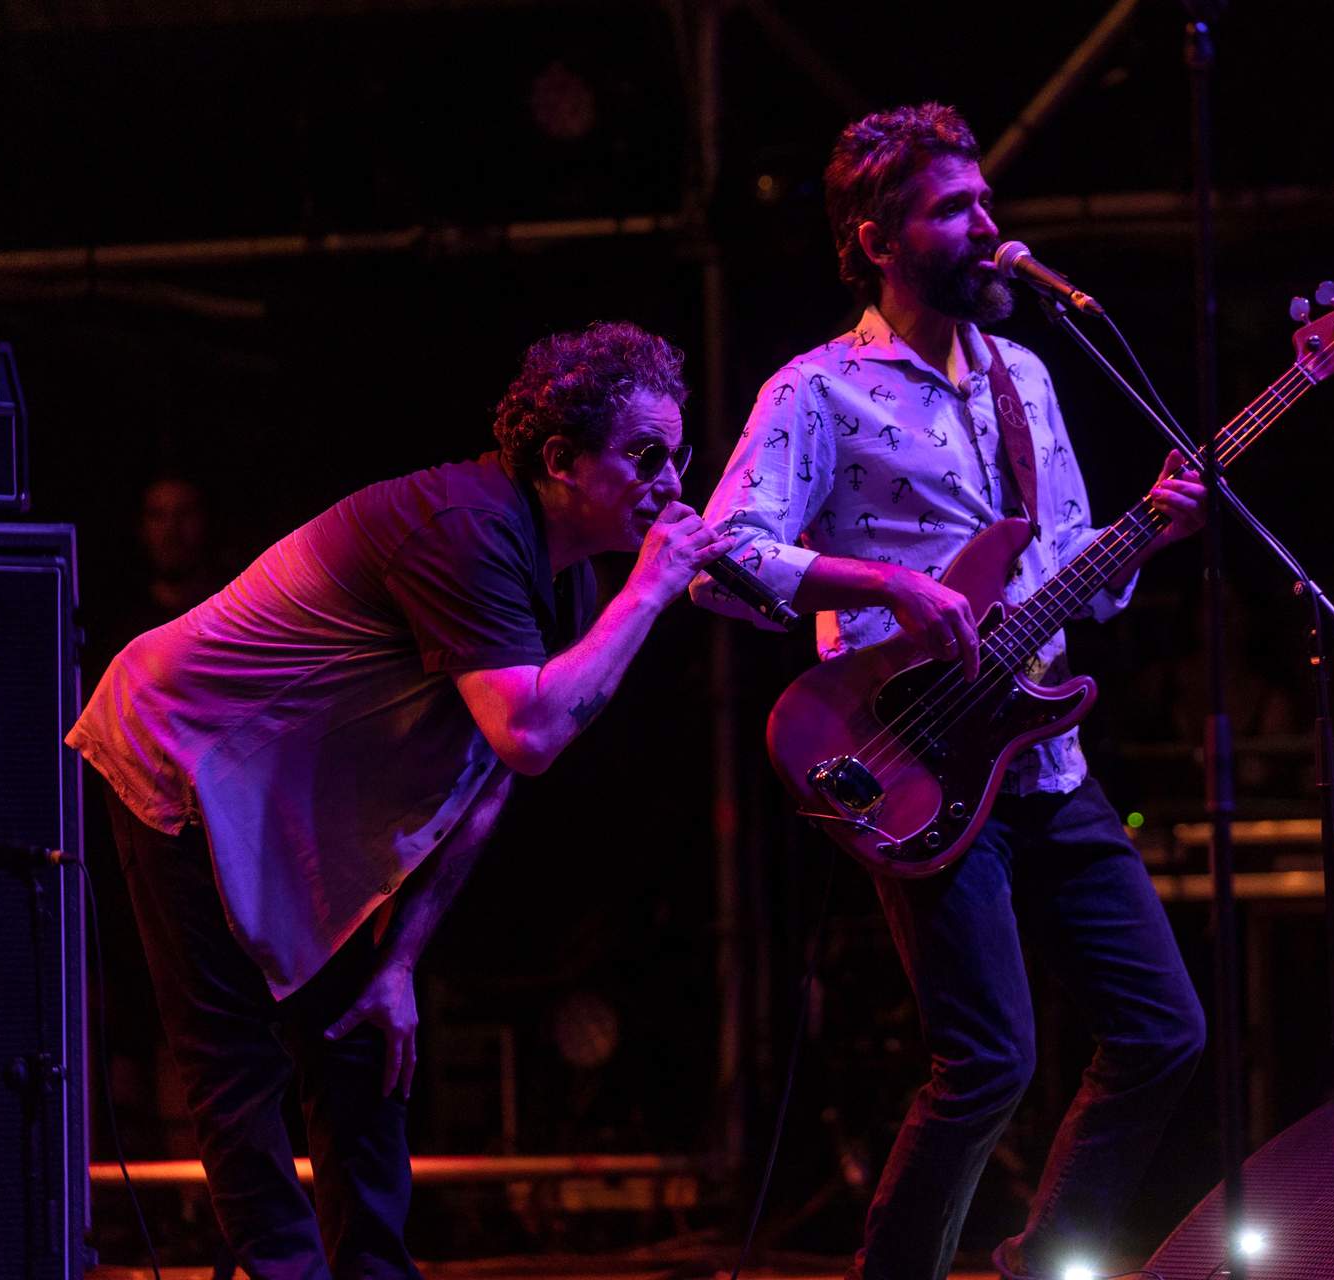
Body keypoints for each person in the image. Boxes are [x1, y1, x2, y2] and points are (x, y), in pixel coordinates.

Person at [66, 321, 729, 1279]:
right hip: (180, 748)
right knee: (235, 1063)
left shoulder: (562, 577)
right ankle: (279, 1269)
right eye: (646, 455)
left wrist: (399, 962)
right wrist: (650, 593)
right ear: (560, 459)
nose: (672, 482)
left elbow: (486, 784)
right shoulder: (467, 529)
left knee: (360, 1039)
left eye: (679, 456)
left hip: (288, 788)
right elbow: (531, 735)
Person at [691, 104, 1209, 1280]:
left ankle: (1048, 1258)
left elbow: (1077, 574)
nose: (988, 226)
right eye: (953, 209)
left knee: (1164, 1030)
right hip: (913, 754)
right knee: (987, 1061)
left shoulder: (1026, 372)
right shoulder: (815, 391)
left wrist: (1143, 541)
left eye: (985, 201)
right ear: (878, 238)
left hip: (1044, 757)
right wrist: (882, 582)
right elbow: (722, 558)